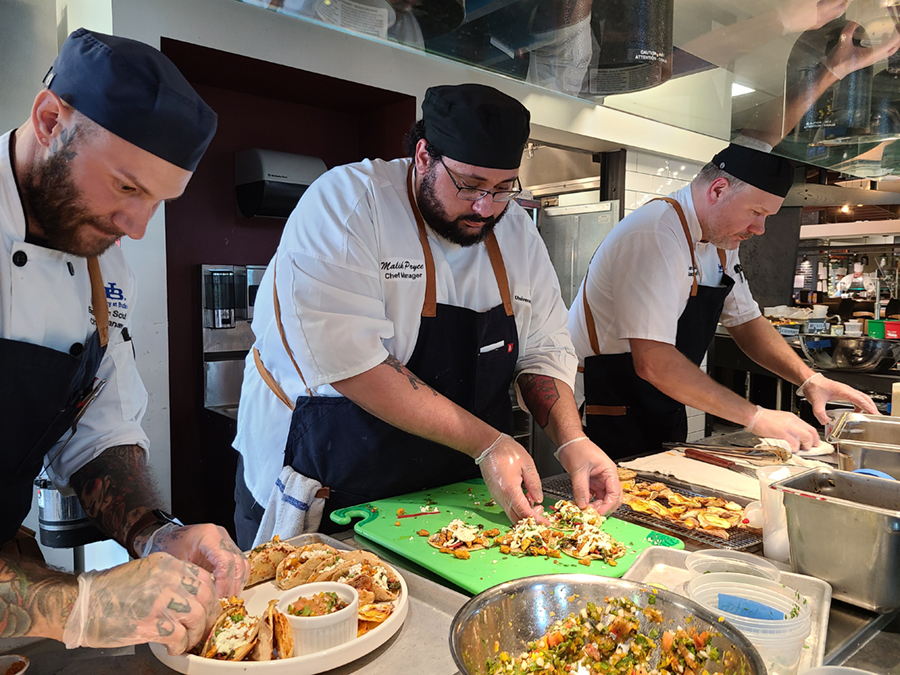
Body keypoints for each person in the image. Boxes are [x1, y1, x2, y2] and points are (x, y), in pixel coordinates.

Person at [233, 83, 621, 548]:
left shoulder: (514, 228)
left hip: (451, 484)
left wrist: (570, 441)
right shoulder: (349, 203)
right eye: (470, 185)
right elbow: (352, 365)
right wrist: (487, 443)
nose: (485, 208)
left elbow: (543, 349)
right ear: (422, 157)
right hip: (333, 471)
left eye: (502, 189)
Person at [1, 28, 249, 654]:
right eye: (127, 187)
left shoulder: (102, 266)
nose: (136, 229)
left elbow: (100, 433)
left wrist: (157, 534)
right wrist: (78, 604)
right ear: (50, 119)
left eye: (159, 202)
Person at [567, 142, 878, 460]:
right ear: (718, 190)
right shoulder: (656, 233)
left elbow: (746, 321)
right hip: (606, 401)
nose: (760, 229)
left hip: (661, 399)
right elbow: (653, 361)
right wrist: (756, 417)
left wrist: (809, 379)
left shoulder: (721, 242)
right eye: (756, 213)